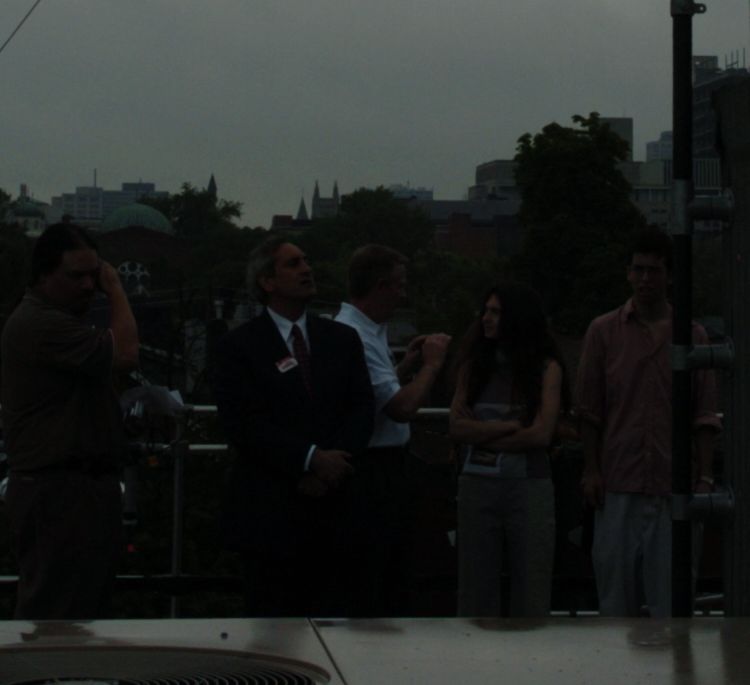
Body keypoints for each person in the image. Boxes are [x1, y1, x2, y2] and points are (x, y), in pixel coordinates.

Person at [210, 237, 374, 615]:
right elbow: (243, 423)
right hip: (271, 517)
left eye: (306, 260)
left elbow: (362, 409)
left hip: (338, 512)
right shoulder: (239, 346)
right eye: (293, 263)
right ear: (267, 281)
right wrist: (310, 459)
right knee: (274, 630)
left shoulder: (342, 339)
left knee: (339, 626)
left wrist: (330, 468)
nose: (307, 269)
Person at [575, 228, 719, 619]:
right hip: (618, 484)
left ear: (669, 276)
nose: (645, 279)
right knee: (614, 603)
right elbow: (588, 410)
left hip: (673, 487)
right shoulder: (603, 332)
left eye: (653, 270)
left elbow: (704, 414)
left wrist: (705, 478)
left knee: (672, 605)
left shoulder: (692, 335)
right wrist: (592, 470)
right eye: (638, 269)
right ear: (627, 274)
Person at [0, 221, 139, 621]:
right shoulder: (42, 323)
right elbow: (125, 353)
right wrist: (116, 288)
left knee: (82, 609)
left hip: (79, 488)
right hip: (58, 491)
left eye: (93, 275)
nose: (88, 286)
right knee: (57, 612)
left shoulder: (58, 320)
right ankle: (46, 663)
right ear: (43, 274)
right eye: (76, 276)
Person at [332, 245, 450, 617]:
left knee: (382, 571)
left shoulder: (360, 331)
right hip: (373, 472)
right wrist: (431, 366)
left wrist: (406, 367)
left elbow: (369, 397)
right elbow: (401, 408)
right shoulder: (357, 336)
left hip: (380, 470)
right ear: (380, 286)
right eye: (399, 285)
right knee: (378, 575)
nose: (403, 294)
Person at [447, 282, 562, 619]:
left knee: (531, 589)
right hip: (477, 484)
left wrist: (480, 434)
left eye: (496, 312)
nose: (486, 318)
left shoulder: (546, 368)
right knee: (475, 591)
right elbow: (457, 428)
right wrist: (509, 426)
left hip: (528, 487)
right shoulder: (473, 366)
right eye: (485, 311)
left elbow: (540, 435)